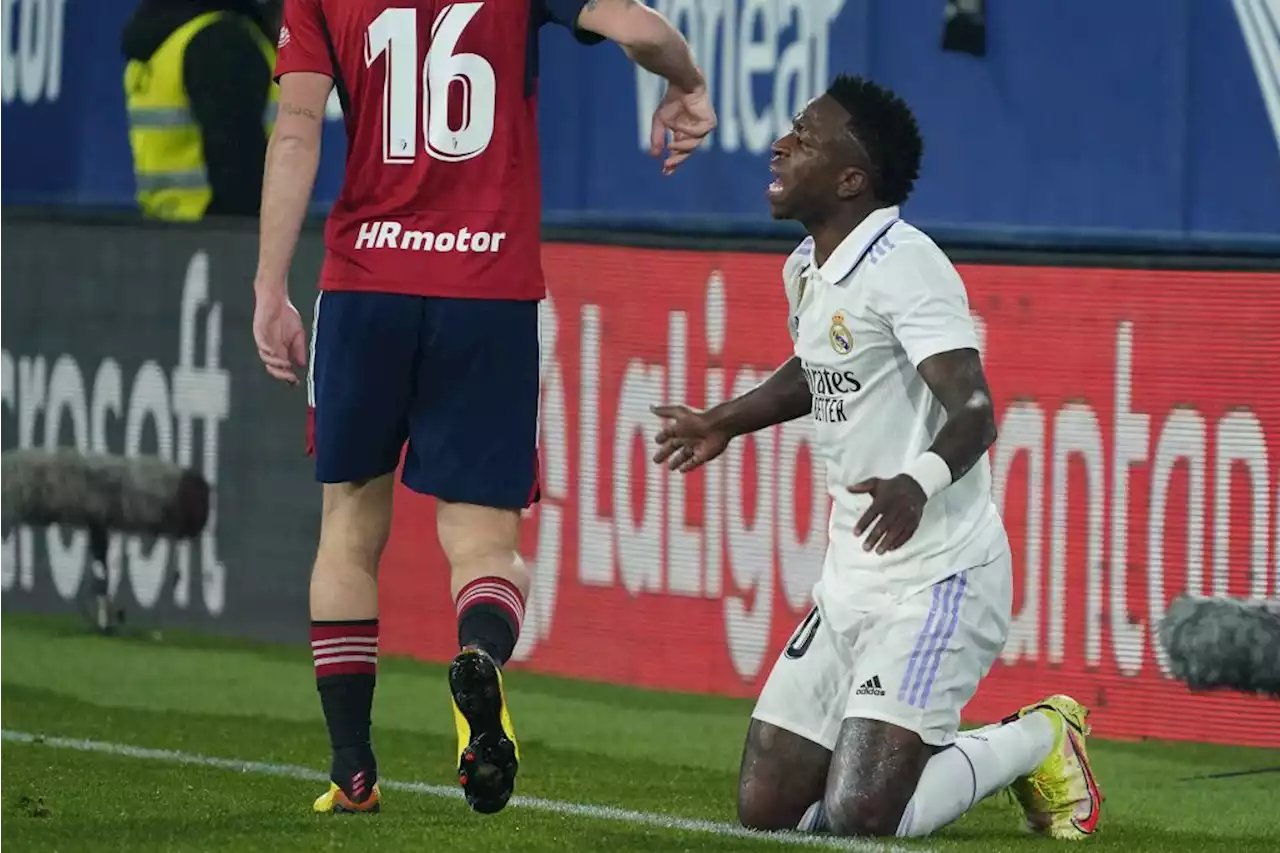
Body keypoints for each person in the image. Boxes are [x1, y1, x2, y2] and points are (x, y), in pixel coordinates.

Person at [251, 0, 715, 818]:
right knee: (483, 543)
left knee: (349, 532)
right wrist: (687, 82)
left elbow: (296, 130)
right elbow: (638, 27)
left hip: (366, 286)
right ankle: (478, 657)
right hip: (488, 291)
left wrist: (268, 286)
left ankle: (353, 769)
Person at [650, 75, 1103, 840]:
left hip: (939, 579)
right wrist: (725, 419)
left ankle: (1040, 738)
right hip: (850, 579)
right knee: (767, 810)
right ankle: (915, 751)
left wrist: (918, 482)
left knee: (857, 820)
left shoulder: (906, 264)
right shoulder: (809, 265)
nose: (781, 144)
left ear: (852, 178)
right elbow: (821, 364)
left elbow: (974, 409)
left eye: (805, 136)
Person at [123, 0, 281, 220]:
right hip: (213, 241)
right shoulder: (223, 43)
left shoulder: (172, 38)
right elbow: (240, 185)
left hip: (170, 235)